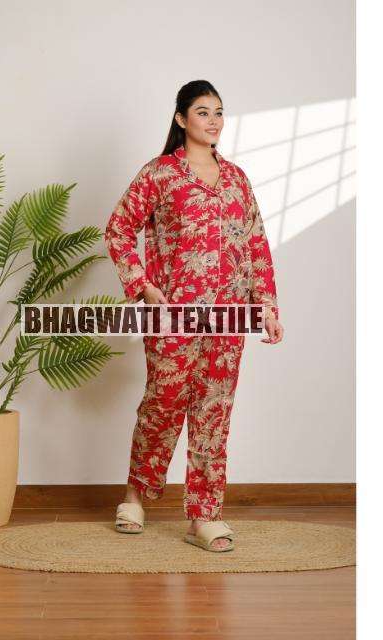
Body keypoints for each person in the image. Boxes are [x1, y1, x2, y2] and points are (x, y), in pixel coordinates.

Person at [104, 79, 284, 552]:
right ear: (182, 119)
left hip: (228, 319)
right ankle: (135, 495)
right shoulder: (160, 174)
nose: (214, 121)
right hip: (173, 316)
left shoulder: (237, 180)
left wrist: (266, 306)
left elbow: (256, 244)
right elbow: (119, 228)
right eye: (203, 112)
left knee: (213, 412)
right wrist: (143, 286)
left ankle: (204, 516)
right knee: (162, 404)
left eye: (219, 112)